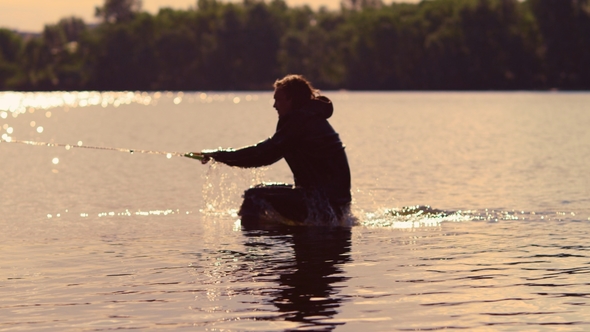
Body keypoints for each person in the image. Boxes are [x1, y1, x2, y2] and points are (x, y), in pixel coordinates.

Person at [197, 75, 351, 226]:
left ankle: (248, 247)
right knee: (260, 192)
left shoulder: (299, 122)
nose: (274, 105)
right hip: (331, 204)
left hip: (323, 204)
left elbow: (263, 155)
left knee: (255, 197)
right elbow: (265, 153)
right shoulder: (309, 117)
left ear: (291, 100)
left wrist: (217, 155)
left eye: (278, 99)